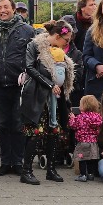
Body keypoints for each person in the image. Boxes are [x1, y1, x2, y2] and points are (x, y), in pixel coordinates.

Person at [0, 0, 34, 179]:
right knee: (2, 124)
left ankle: (18, 161)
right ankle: (5, 162)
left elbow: (33, 57)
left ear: (13, 9)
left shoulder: (27, 31)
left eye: (6, 7)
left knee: (18, 123)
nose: (3, 11)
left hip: (19, 85)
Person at [20, 20, 73, 184]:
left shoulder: (59, 50)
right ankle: (26, 171)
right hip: (37, 95)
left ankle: (51, 169)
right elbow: (29, 67)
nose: (67, 44)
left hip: (55, 98)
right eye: (66, 40)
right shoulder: (35, 46)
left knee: (54, 131)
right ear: (57, 36)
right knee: (35, 132)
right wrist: (50, 84)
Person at [68, 94, 103, 181]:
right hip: (93, 143)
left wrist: (72, 118)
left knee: (82, 158)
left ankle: (83, 175)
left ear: (84, 106)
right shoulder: (97, 117)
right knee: (90, 159)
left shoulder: (80, 117)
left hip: (82, 142)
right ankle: (90, 174)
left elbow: (73, 126)